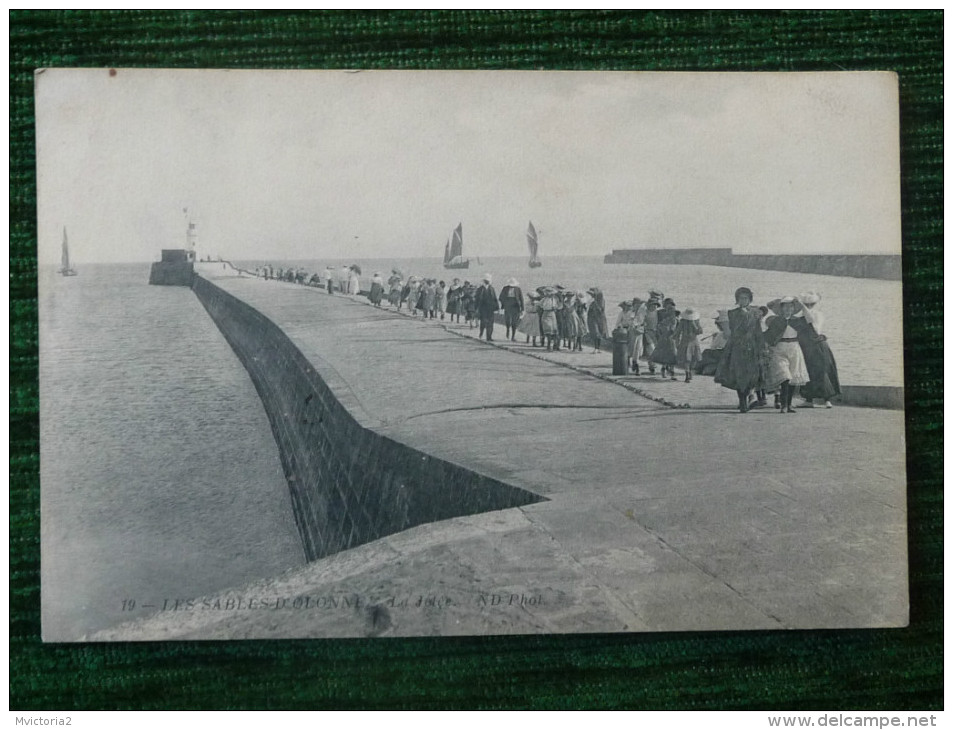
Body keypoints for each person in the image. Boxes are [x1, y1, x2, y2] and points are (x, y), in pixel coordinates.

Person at [714, 286, 767, 413]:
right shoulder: (732, 313)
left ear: (750, 299)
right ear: (737, 300)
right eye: (740, 298)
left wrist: (762, 347)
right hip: (737, 347)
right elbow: (727, 331)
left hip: (752, 346)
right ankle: (742, 402)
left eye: (746, 298)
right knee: (739, 374)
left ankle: (751, 396)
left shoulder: (756, 313)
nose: (743, 300)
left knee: (753, 374)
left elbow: (758, 332)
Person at [763, 296, 811, 414]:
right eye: (785, 307)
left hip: (794, 348)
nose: (788, 309)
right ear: (781, 308)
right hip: (780, 348)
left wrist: (803, 307)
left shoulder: (797, 320)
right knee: (785, 377)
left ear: (794, 309)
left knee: (793, 378)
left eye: (791, 307)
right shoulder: (776, 321)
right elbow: (768, 335)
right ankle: (783, 405)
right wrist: (767, 347)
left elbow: (810, 320)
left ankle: (789, 405)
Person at [796, 292, 840, 408]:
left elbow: (815, 327)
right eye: (806, 304)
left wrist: (802, 307)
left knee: (822, 371)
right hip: (805, 346)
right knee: (807, 372)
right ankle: (808, 400)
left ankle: (827, 400)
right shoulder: (800, 316)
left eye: (810, 304)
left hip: (817, 345)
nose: (808, 306)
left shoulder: (817, 315)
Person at [650, 297, 679, 380]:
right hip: (669, 338)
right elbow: (674, 328)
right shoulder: (671, 318)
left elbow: (659, 326)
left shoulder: (664, 316)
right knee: (671, 355)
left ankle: (666, 371)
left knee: (666, 355)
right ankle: (670, 372)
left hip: (665, 337)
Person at [675, 307, 703, 382]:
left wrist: (694, 325)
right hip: (685, 341)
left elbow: (700, 331)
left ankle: (690, 371)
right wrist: (676, 342)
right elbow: (678, 332)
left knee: (694, 359)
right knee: (687, 359)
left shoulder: (696, 321)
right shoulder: (682, 321)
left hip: (694, 341)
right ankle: (687, 373)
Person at [474, 274, 500, 340]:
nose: (487, 282)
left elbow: (495, 298)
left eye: (488, 280)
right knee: (483, 321)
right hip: (483, 308)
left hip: (490, 308)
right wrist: (476, 308)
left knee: (491, 322)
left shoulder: (492, 288)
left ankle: (489, 337)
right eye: (486, 280)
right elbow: (477, 299)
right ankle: (481, 332)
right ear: (484, 281)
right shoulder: (480, 289)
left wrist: (497, 307)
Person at [586, 287, 608, 353]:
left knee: (599, 333)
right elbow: (589, 309)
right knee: (595, 333)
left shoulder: (601, 300)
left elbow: (601, 310)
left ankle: (598, 348)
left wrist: (595, 303)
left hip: (600, 319)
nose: (592, 296)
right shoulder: (592, 300)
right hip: (593, 319)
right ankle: (596, 348)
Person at [537, 287, 560, 351]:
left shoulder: (554, 299)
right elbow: (539, 305)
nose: (549, 294)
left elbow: (557, 306)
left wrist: (554, 308)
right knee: (548, 330)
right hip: (546, 314)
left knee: (554, 330)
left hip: (552, 314)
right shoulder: (544, 299)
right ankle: (548, 345)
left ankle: (554, 345)